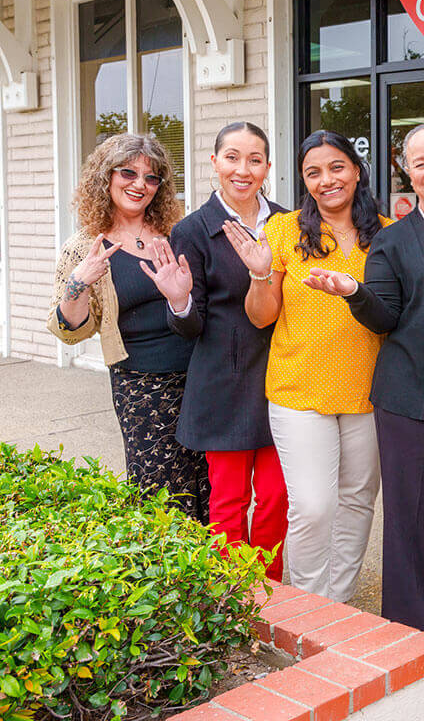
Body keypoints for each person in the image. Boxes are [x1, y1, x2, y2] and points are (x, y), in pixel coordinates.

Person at [304, 123, 424, 640]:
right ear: (405, 171)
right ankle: (414, 628)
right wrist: (354, 291)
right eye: (419, 163)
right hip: (413, 387)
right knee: (413, 513)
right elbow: (384, 316)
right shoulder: (393, 238)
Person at [223, 129, 390, 602]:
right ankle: (310, 606)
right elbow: (262, 315)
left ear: (356, 170)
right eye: (313, 172)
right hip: (299, 391)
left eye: (336, 167)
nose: (327, 180)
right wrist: (258, 273)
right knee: (313, 506)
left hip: (368, 391)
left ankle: (339, 602)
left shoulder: (387, 234)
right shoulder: (282, 230)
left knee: (358, 502)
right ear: (303, 180)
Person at [140, 122, 289, 580]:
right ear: (214, 163)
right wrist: (179, 300)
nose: (243, 170)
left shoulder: (286, 222)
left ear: (266, 167)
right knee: (228, 501)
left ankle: (268, 592)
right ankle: (234, 597)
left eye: (254, 159)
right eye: (232, 157)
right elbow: (192, 326)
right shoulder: (192, 230)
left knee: (278, 496)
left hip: (282, 378)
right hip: (223, 385)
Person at [47, 133, 208, 521]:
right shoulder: (85, 247)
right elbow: (69, 330)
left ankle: (212, 576)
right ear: (106, 178)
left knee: (208, 482)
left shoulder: (178, 235)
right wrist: (80, 282)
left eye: (152, 178)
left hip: (201, 374)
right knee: (159, 489)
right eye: (128, 173)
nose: (140, 185)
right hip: (142, 386)